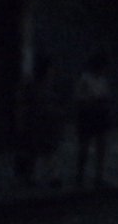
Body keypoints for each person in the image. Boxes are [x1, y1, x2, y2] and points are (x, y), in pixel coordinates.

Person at [14, 56, 65, 187]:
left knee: (47, 150)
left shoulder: (47, 85)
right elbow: (26, 104)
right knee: (40, 150)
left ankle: (48, 176)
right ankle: (41, 176)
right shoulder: (37, 86)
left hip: (46, 122)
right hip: (39, 122)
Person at [73, 51, 113, 188]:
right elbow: (80, 98)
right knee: (84, 147)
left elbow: (106, 95)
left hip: (100, 114)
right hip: (88, 114)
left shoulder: (102, 79)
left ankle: (98, 176)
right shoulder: (85, 79)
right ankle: (80, 176)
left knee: (101, 146)